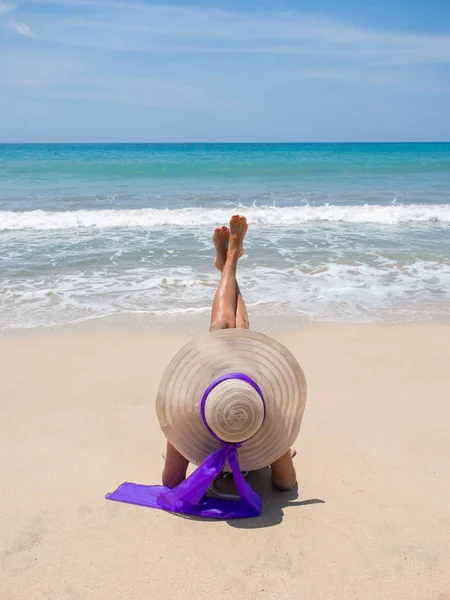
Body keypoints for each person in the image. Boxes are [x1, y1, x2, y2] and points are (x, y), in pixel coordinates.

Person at [162, 215, 298, 492]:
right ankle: (230, 260)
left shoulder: (186, 413)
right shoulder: (269, 417)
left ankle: (228, 262)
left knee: (223, 328)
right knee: (239, 329)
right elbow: (286, 483)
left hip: (222, 383)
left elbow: (170, 481)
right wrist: (279, 450)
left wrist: (180, 447)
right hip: (244, 383)